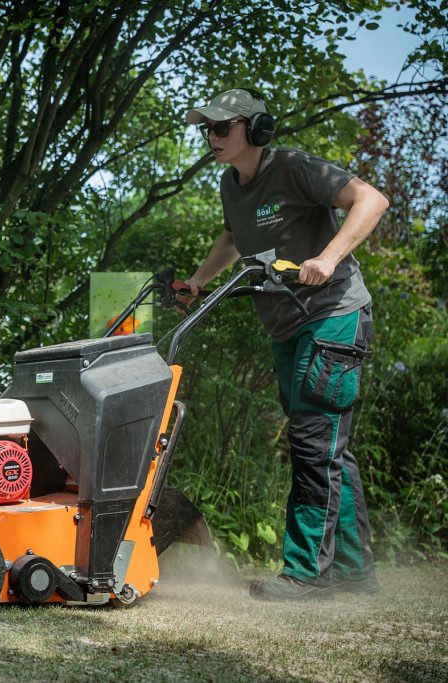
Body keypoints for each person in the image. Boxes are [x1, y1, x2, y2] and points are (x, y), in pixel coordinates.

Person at [182, 88, 389, 601]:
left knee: (313, 442)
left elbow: (371, 200)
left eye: (222, 127)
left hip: (333, 315)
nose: (212, 137)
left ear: (255, 129)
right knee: (326, 444)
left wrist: (329, 257)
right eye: (207, 129)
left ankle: (306, 574)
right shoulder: (230, 184)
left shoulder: (295, 168)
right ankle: (353, 570)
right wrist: (199, 281)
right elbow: (232, 238)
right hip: (287, 327)